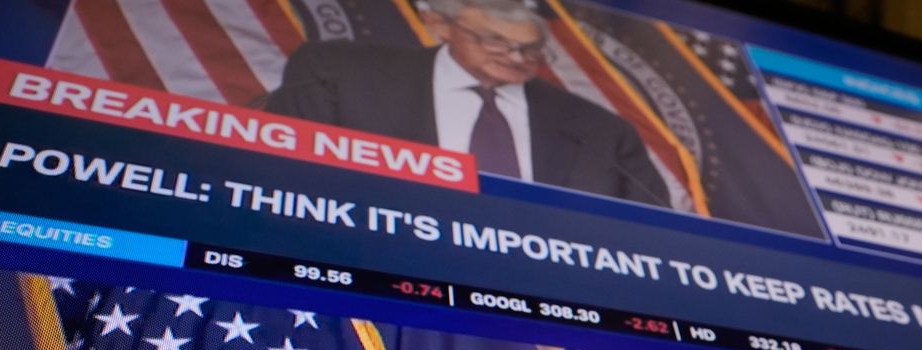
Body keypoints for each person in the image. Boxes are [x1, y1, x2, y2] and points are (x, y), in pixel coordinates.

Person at [266, 0, 671, 207]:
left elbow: (654, 239)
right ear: (438, 23)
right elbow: (285, 187)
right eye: (495, 40)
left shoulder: (601, 131)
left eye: (530, 48)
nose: (517, 58)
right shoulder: (339, 74)